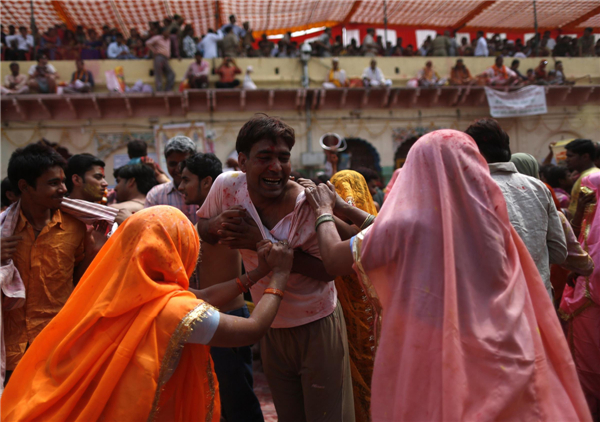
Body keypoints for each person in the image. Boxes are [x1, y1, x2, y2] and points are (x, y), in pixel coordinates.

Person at [301, 129, 592, 422]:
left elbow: (335, 259)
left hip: (436, 356)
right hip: (504, 356)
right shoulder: (492, 221)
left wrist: (324, 211)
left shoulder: (402, 226)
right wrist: (344, 207)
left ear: (415, 171)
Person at [1, 206, 295, 421]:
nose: (199, 252)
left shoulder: (120, 293)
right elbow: (253, 328)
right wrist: (280, 275)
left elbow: (202, 297)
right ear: (172, 250)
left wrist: (257, 274)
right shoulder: (175, 310)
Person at [196, 115, 355, 422]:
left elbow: (329, 270)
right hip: (270, 324)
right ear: (242, 161)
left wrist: (261, 243)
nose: (276, 167)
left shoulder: (305, 206)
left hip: (317, 321)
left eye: (283, 158)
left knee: (327, 416)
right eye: (265, 158)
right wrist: (215, 225)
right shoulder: (227, 188)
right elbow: (202, 227)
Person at [1, 143, 100, 385]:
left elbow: (81, 284)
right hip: (12, 352)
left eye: (63, 182)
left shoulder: (76, 228)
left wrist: (93, 253)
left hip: (58, 348)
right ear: (25, 187)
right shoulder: (4, 230)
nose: (63, 189)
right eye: (53, 183)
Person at [177, 153, 264, 421]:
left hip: (227, 319)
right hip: (207, 321)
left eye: (185, 179)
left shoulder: (224, 220)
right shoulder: (206, 222)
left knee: (238, 402)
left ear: (207, 183)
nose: (180, 186)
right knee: (219, 403)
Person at [466, 119, 567, 299]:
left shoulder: (468, 189)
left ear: (474, 152)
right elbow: (559, 253)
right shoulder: (539, 187)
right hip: (539, 304)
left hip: (494, 306)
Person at [560, 171, 600, 419]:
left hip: (589, 302)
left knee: (588, 367)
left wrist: (582, 276)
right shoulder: (589, 221)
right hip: (586, 299)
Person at [145, 135, 198, 224]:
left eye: (183, 163)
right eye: (173, 164)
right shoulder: (155, 196)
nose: (178, 169)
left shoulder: (207, 191)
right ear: (166, 163)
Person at [565, 139, 600, 217]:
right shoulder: (586, 175)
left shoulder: (590, 177)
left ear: (585, 156)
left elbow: (590, 210)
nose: (566, 160)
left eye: (570, 156)